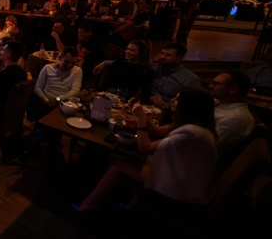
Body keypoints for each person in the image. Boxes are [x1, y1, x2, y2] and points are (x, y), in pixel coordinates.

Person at [76, 88, 217, 213]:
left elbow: (145, 148)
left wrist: (141, 118)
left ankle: (86, 205)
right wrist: (141, 113)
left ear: (190, 106)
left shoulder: (192, 132)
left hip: (183, 191)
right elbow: (156, 130)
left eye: (178, 99)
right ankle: (135, 202)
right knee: (134, 160)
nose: (173, 101)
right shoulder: (194, 124)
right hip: (185, 179)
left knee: (118, 165)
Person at [27, 46, 83, 122]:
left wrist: (57, 99)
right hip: (43, 101)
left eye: (73, 63)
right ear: (60, 58)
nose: (69, 65)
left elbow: (75, 91)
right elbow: (37, 87)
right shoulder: (48, 68)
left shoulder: (77, 71)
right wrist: (46, 100)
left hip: (62, 103)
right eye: (66, 61)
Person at [210, 71, 255, 154]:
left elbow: (208, 146)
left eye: (216, 84)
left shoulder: (236, 118)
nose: (211, 86)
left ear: (233, 89)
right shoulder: (218, 102)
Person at [150, 42, 201, 110]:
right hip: (147, 106)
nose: (162, 57)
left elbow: (191, 104)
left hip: (169, 113)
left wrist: (166, 105)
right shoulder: (154, 68)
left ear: (179, 58)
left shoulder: (190, 78)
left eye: (168, 55)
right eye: (162, 53)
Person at [77, 22, 103, 88]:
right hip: (86, 62)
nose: (80, 34)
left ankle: (80, 87)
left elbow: (80, 54)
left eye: (82, 32)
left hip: (94, 65)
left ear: (89, 32)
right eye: (79, 32)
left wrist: (80, 41)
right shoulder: (84, 39)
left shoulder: (94, 40)